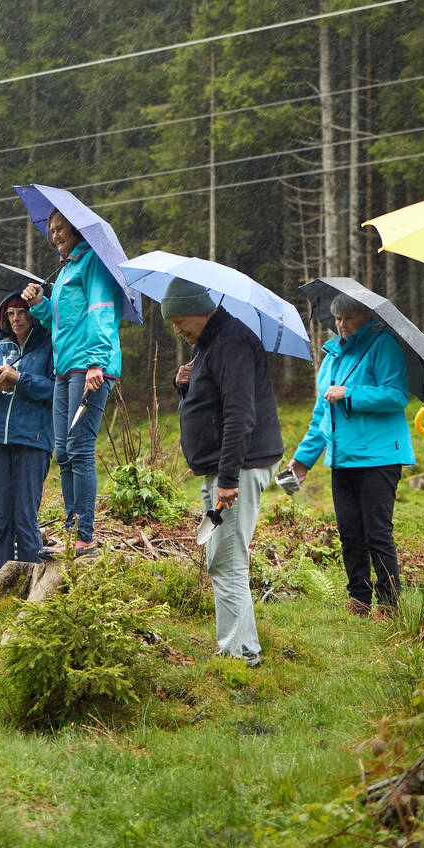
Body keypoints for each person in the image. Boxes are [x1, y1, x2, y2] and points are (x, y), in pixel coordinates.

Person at [165, 278, 281, 667]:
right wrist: (185, 385)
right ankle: (239, 648)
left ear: (199, 310)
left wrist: (229, 479)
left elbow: (239, 414)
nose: (177, 330)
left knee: (227, 560)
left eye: (180, 321)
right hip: (220, 469)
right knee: (223, 557)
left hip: (237, 469)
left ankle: (238, 654)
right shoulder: (209, 344)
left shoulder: (230, 341)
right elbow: (210, 404)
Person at [289, 296, 415, 618]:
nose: (340, 325)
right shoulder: (333, 354)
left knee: (377, 532)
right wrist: (303, 460)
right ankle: (359, 600)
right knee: (349, 533)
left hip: (379, 457)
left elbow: (396, 395)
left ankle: (389, 605)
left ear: (365, 316)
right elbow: (322, 415)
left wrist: (351, 394)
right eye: (337, 318)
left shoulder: (383, 344)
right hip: (341, 459)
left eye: (347, 318)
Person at [25, 209, 123, 552]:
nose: (54, 235)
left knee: (80, 449)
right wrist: (39, 304)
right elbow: (61, 321)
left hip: (90, 367)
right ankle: (71, 533)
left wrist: (97, 362)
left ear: (77, 230)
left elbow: (102, 310)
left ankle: (84, 536)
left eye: (60, 228)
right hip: (65, 370)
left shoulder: (94, 263)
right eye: (51, 230)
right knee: (63, 450)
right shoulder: (67, 269)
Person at [0, 293, 55, 569]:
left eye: (21, 312)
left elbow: (56, 390)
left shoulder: (49, 346)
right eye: (10, 314)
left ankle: (29, 584)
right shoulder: (0, 350)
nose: (16, 318)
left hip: (33, 441)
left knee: (25, 517)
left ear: (32, 314)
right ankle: (1, 583)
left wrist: (19, 379)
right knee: (0, 518)